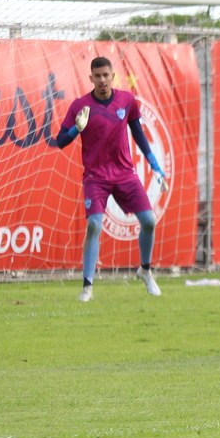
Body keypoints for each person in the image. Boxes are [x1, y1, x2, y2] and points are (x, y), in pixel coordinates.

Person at [57, 56, 168, 302]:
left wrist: (156, 166)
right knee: (94, 225)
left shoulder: (126, 101)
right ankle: (87, 288)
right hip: (96, 177)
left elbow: (138, 134)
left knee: (149, 221)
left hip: (125, 174)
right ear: (91, 78)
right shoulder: (80, 106)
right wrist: (77, 128)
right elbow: (60, 141)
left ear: (112, 76)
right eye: (97, 76)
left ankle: (145, 271)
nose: (102, 80)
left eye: (106, 75)